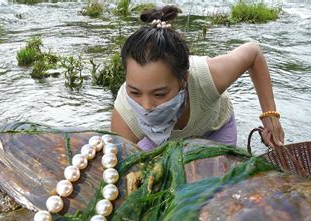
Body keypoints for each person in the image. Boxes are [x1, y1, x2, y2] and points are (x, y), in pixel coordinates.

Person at [111, 5, 284, 151]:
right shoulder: (126, 116)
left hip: (214, 130)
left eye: (160, 94)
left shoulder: (206, 77)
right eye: (135, 92)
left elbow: (253, 53)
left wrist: (270, 117)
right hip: (156, 141)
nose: (146, 106)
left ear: (184, 79)